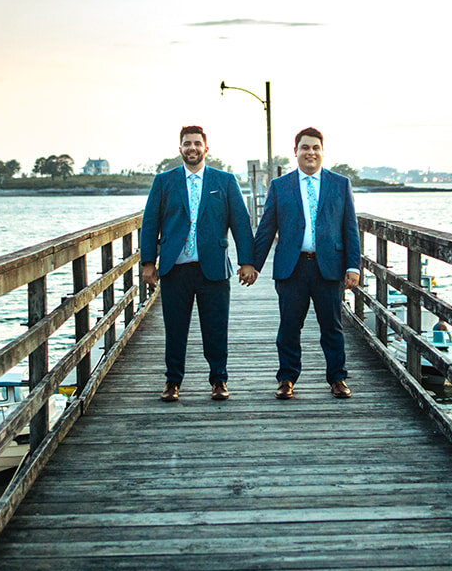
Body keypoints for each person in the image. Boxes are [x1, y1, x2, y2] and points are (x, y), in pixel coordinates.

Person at [140, 125, 257, 402]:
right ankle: (172, 382)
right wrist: (147, 262)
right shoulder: (164, 181)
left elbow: (240, 223)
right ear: (179, 148)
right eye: (187, 144)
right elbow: (149, 223)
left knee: (216, 327)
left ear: (206, 147)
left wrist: (247, 262)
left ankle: (218, 380)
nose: (192, 148)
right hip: (175, 267)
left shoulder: (224, 181)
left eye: (196, 143)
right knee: (175, 327)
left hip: (213, 267)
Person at [251, 127, 362, 400]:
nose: (310, 153)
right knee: (289, 326)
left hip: (329, 266)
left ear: (322, 151)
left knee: (332, 326)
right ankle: (287, 378)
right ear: (296, 152)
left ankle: (337, 378)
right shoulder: (280, 186)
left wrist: (353, 266)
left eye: (315, 148)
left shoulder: (339, 184)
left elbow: (350, 227)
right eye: (305, 148)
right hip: (292, 266)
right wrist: (253, 264)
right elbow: (266, 229)